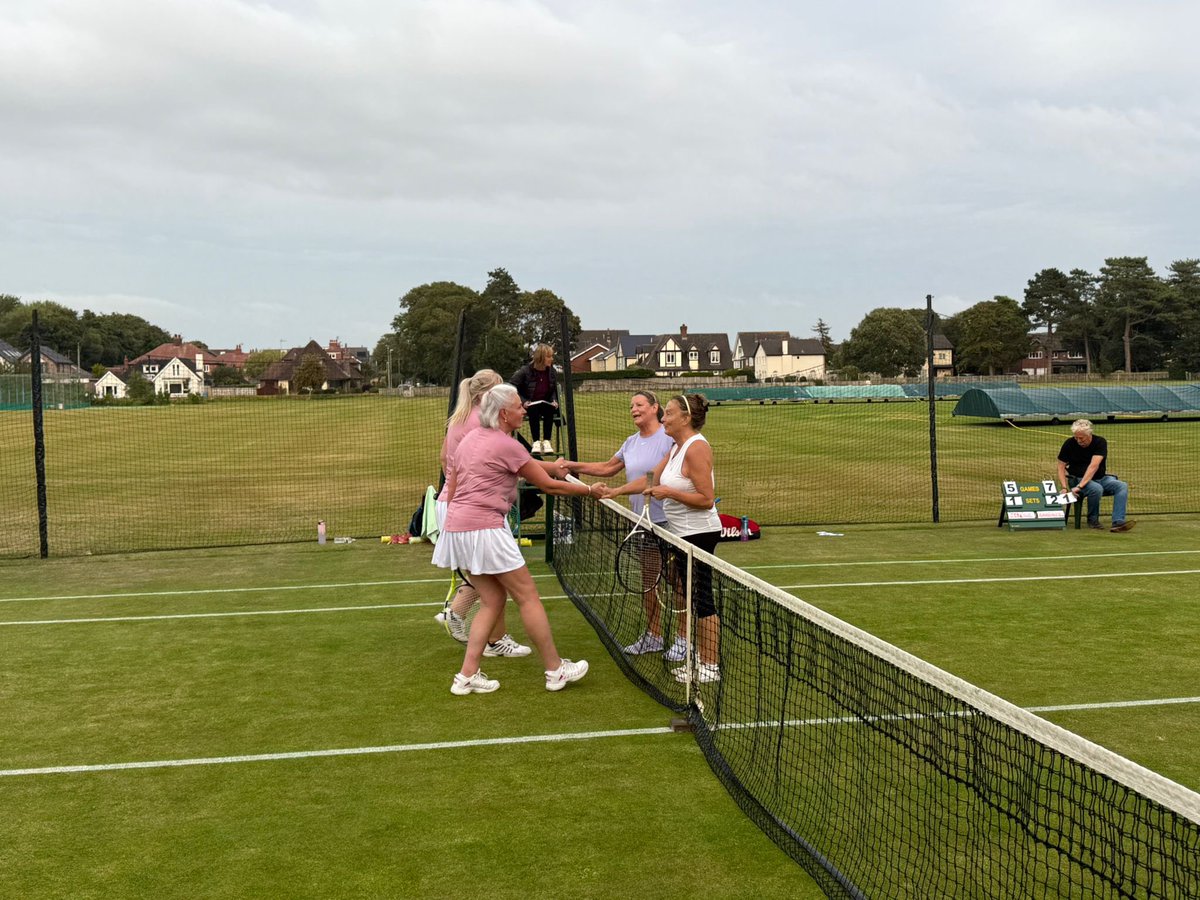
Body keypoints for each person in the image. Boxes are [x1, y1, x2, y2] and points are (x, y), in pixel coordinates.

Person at [435, 383, 603, 695]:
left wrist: (556, 467)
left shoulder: (472, 438)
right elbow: (549, 486)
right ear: (503, 414)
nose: (524, 410)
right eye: (518, 406)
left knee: (493, 599)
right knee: (527, 595)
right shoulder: (506, 445)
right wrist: (589, 490)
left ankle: (466, 676)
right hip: (483, 530)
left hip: (457, 528)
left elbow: (458, 482)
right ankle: (555, 670)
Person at [600, 393, 722, 684]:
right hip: (680, 535)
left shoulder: (696, 448)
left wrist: (669, 493)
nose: (663, 418)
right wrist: (615, 492)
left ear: (685, 418)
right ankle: (700, 659)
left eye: (668, 414)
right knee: (692, 599)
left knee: (703, 601)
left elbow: (706, 499)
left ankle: (710, 666)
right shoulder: (676, 447)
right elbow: (650, 479)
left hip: (700, 534)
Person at [562, 391, 676, 657]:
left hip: (668, 522)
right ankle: (654, 635)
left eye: (639, 405)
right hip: (641, 522)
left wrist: (616, 492)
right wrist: (570, 465)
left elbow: (653, 479)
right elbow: (606, 468)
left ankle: (683, 639)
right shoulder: (631, 442)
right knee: (649, 582)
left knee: (677, 583)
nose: (634, 409)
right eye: (631, 406)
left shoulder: (669, 439)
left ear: (654, 407)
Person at [432, 369, 529, 658]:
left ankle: (490, 639)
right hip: (466, 504)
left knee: (490, 574)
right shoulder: (481, 422)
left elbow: (443, 458)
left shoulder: (460, 418)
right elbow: (497, 457)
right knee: (496, 574)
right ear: (489, 395)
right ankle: (462, 617)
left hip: (454, 501)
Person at [1056, 419, 1135, 533]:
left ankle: (1118, 522)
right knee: (1096, 489)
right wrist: (1064, 487)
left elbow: (1093, 466)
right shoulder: (1069, 443)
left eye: (1081, 438)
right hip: (1077, 479)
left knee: (1122, 486)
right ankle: (1093, 520)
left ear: (1089, 434)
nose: (1078, 440)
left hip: (1100, 478)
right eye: (1076, 437)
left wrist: (1081, 486)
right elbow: (1061, 465)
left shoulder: (1100, 442)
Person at [510, 344, 558, 454]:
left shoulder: (552, 372)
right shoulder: (525, 371)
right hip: (530, 404)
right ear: (541, 358)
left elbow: (553, 389)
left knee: (550, 409)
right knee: (533, 409)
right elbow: (512, 385)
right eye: (549, 356)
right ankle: (536, 442)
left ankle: (547, 441)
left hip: (545, 403)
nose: (552, 359)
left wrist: (554, 400)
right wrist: (522, 401)